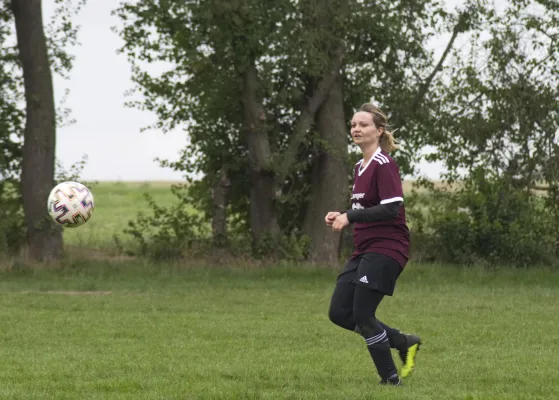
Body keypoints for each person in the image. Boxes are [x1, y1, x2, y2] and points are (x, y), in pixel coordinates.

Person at [325, 103, 420, 386]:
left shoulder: (384, 164)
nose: (356, 128)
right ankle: (404, 341)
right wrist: (341, 214)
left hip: (387, 248)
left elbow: (391, 209)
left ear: (379, 131)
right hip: (363, 250)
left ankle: (390, 380)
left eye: (363, 124)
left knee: (364, 315)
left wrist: (349, 216)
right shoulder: (359, 166)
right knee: (340, 313)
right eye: (353, 124)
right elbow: (366, 207)